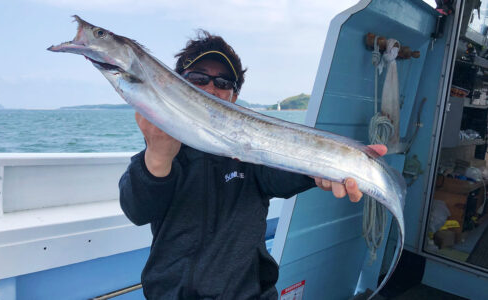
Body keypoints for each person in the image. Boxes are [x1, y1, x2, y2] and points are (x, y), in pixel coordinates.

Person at [119, 30, 386, 299]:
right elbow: (138, 211)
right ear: (177, 85)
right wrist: (158, 155)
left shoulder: (254, 154)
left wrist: (323, 170)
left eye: (223, 82)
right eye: (198, 78)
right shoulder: (164, 146)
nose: (211, 88)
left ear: (234, 97)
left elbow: (287, 173)